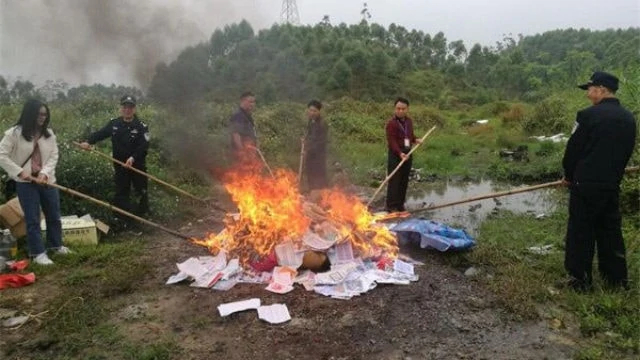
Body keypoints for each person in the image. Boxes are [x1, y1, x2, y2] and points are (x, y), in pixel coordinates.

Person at [561, 71, 637, 291]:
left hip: (585, 185)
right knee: (610, 230)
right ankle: (616, 280)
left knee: (580, 231)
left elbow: (573, 151)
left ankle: (580, 280)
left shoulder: (587, 116)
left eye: (591, 89)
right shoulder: (628, 118)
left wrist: (568, 175)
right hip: (611, 185)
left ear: (602, 89)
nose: (588, 95)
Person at [0, 99, 70, 265]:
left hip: (47, 182)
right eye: (39, 114)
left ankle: (55, 246)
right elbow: (2, 155)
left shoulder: (49, 134)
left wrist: (45, 174)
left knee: (54, 215)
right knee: (32, 219)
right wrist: (20, 172)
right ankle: (38, 252)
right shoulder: (14, 134)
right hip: (26, 183)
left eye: (45, 115)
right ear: (30, 114)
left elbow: (54, 155)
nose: (42, 118)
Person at [79, 95, 150, 224]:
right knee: (121, 193)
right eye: (125, 107)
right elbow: (100, 134)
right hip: (120, 166)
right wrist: (88, 142)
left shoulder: (141, 126)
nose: (127, 110)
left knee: (141, 192)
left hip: (137, 166)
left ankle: (143, 221)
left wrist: (133, 158)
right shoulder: (114, 124)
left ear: (134, 109)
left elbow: (144, 146)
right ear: (121, 108)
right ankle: (122, 221)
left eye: (130, 107)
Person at [385, 97, 421, 212]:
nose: (400, 111)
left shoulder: (409, 122)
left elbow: (409, 135)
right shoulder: (391, 124)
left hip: (407, 153)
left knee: (404, 180)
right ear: (395, 109)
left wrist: (416, 140)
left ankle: (400, 205)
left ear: (407, 109)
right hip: (396, 155)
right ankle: (391, 206)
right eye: (398, 108)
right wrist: (400, 153)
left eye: (403, 109)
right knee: (394, 180)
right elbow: (392, 141)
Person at [303, 100, 329, 191]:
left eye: (314, 111)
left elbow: (321, 142)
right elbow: (309, 136)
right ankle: (312, 197)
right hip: (310, 156)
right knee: (310, 177)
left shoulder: (322, 124)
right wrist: (304, 141)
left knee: (319, 179)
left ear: (319, 111)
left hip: (318, 158)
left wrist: (308, 148)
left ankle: (321, 199)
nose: (312, 113)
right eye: (310, 110)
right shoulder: (310, 121)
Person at [229, 91, 257, 163]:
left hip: (250, 154)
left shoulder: (248, 117)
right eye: (250, 102)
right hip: (240, 157)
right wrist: (242, 152)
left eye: (254, 102)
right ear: (242, 101)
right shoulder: (238, 116)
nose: (252, 104)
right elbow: (236, 134)